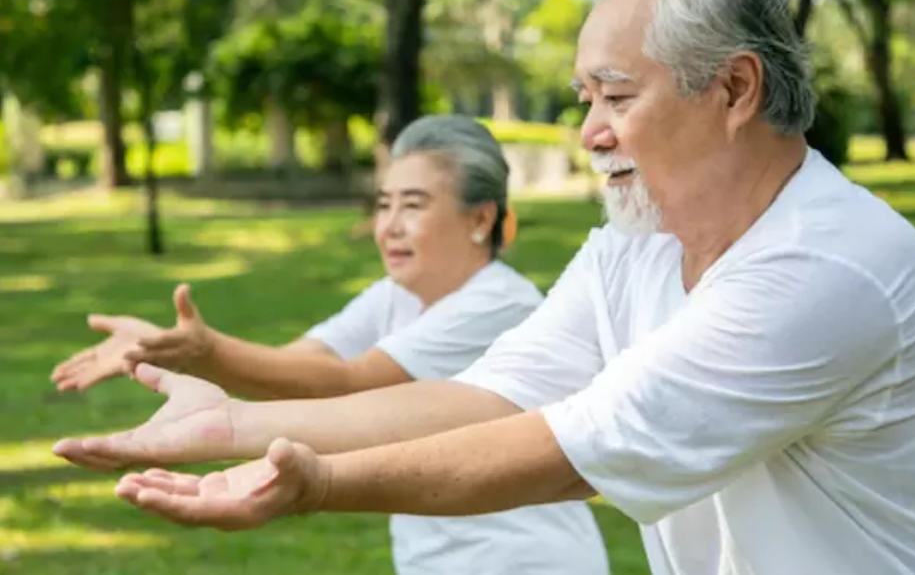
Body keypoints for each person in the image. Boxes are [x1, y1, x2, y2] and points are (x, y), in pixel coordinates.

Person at [54, 0, 915, 575]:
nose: (590, 132)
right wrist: (233, 425)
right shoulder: (632, 246)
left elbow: (569, 447)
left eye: (617, 96)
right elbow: (486, 399)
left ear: (736, 88)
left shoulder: (826, 266)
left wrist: (318, 482)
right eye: (583, 96)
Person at [49, 114, 610, 575]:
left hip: (523, 561)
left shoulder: (497, 302)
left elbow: (349, 384)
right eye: (384, 204)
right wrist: (175, 349)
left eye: (412, 206)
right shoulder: (395, 295)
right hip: (437, 555)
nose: (387, 225)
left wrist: (209, 353)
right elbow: (299, 365)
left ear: (480, 218)